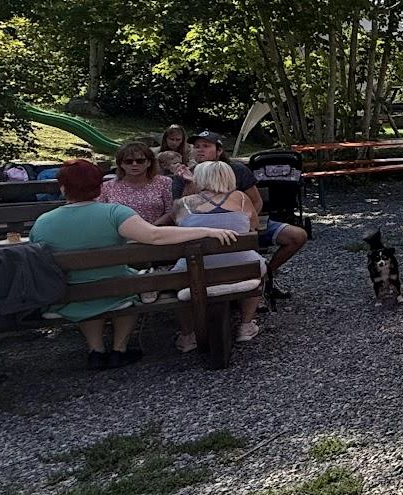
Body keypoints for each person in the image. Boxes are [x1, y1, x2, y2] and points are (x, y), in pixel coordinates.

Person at [29, 159, 239, 368]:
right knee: (133, 286)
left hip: (70, 294)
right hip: (118, 291)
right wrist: (207, 231)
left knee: (92, 287)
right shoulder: (115, 213)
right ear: (100, 186)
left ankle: (96, 350)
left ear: (63, 188)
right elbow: (155, 236)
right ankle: (119, 349)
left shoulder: (43, 221)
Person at [190, 131, 306, 301]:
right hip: (205, 230)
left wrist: (249, 223)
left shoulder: (237, 170)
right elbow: (182, 209)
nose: (200, 150)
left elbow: (256, 202)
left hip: (242, 225)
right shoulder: (188, 174)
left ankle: (266, 279)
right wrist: (188, 182)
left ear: (219, 151)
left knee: (297, 236)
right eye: (196, 147)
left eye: (206, 146)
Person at [170, 161, 265, 350]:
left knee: (174, 279)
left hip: (195, 270)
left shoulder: (183, 203)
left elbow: (177, 225)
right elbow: (254, 226)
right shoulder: (241, 198)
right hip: (241, 268)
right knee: (256, 266)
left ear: (200, 178)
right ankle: (246, 325)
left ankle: (188, 335)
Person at [98, 142, 173, 225]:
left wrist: (151, 229)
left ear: (149, 162)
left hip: (155, 232)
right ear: (121, 164)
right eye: (128, 161)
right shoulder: (107, 186)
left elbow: (171, 212)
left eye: (140, 161)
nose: (134, 164)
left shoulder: (164, 183)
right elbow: (101, 214)